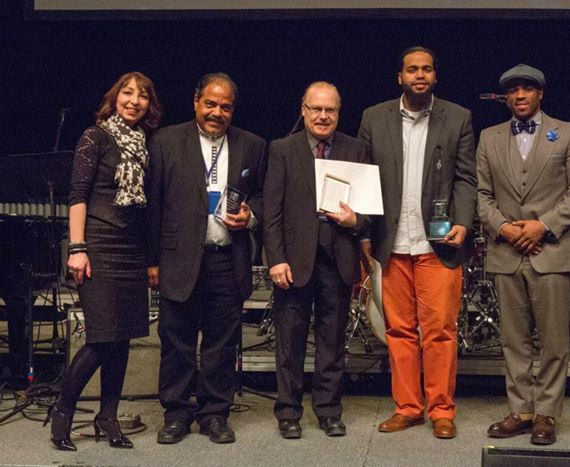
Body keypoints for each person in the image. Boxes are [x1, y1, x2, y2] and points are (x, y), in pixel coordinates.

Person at [358, 46, 476, 439]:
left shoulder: (457, 117)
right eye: (412, 69)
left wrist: (464, 221)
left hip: (438, 245)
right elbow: (363, 179)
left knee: (440, 330)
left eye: (426, 69)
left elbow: (466, 178)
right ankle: (408, 408)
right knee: (399, 331)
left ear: (435, 76)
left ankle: (441, 410)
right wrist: (363, 234)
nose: (419, 75)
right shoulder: (374, 118)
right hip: (391, 243)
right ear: (400, 77)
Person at [146, 72, 266, 445]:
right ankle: (177, 414)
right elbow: (153, 205)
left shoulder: (252, 145)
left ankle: (215, 414)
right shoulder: (166, 141)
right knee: (176, 341)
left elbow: (263, 196)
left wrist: (251, 215)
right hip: (178, 259)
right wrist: (151, 261)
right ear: (196, 101)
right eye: (210, 104)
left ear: (233, 109)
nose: (217, 112)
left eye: (225, 107)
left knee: (222, 344)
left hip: (227, 259)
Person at [48, 71, 162, 450]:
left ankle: (108, 416)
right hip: (98, 245)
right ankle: (63, 411)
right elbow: (78, 195)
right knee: (101, 338)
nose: (134, 101)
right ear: (115, 97)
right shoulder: (94, 137)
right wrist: (77, 248)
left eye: (142, 96)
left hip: (132, 249)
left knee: (122, 337)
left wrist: (150, 259)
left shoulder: (145, 144)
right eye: (127, 93)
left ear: (148, 105)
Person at [477, 64, 570, 446]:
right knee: (514, 340)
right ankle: (521, 410)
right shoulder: (489, 137)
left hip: (552, 251)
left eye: (527, 89)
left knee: (554, 341)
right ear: (506, 97)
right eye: (513, 90)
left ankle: (546, 414)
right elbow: (482, 196)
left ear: (540, 93)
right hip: (506, 252)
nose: (520, 95)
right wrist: (505, 228)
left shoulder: (568, 133)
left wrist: (543, 225)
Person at [263, 81, 369, 439]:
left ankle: (328, 410)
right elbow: (271, 212)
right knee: (289, 342)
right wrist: (275, 259)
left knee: (332, 342)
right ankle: (288, 412)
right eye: (316, 109)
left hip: (338, 258)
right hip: (293, 261)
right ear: (304, 110)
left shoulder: (355, 149)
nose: (323, 116)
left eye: (330, 110)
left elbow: (368, 213)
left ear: (338, 113)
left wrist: (355, 221)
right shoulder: (282, 149)